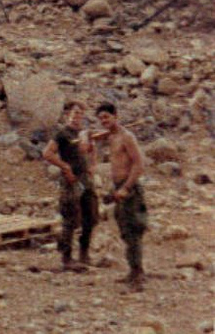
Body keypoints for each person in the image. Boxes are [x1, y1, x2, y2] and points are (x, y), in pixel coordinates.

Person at [95, 102, 148, 292]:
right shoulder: (111, 135)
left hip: (130, 189)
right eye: (100, 118)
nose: (103, 120)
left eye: (106, 117)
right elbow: (95, 134)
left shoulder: (127, 137)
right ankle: (133, 271)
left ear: (115, 116)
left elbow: (139, 165)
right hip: (118, 187)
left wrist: (126, 188)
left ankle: (138, 277)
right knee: (125, 230)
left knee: (133, 231)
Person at [42, 101, 98, 272]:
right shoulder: (62, 133)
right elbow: (47, 153)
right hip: (71, 180)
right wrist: (65, 167)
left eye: (80, 113)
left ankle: (84, 254)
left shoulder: (83, 133)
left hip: (85, 179)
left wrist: (92, 165)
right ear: (67, 115)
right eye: (74, 113)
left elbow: (90, 150)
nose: (76, 116)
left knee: (91, 215)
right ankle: (66, 258)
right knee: (70, 217)